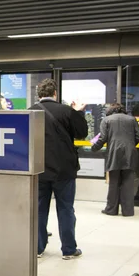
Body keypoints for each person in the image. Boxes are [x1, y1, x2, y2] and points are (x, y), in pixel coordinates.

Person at [30, 79, 88, 259]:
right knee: (65, 208)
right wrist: (78, 112)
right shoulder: (66, 111)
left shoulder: (30, 111)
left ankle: (38, 248)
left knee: (39, 209)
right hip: (64, 170)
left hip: (39, 169)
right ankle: (69, 250)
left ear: (39, 94)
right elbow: (82, 133)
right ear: (55, 94)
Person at [91, 104, 139, 216]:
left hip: (114, 153)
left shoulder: (107, 120)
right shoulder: (132, 119)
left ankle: (111, 209)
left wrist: (94, 148)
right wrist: (130, 145)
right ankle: (128, 211)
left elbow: (103, 138)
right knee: (128, 183)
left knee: (114, 182)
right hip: (130, 153)